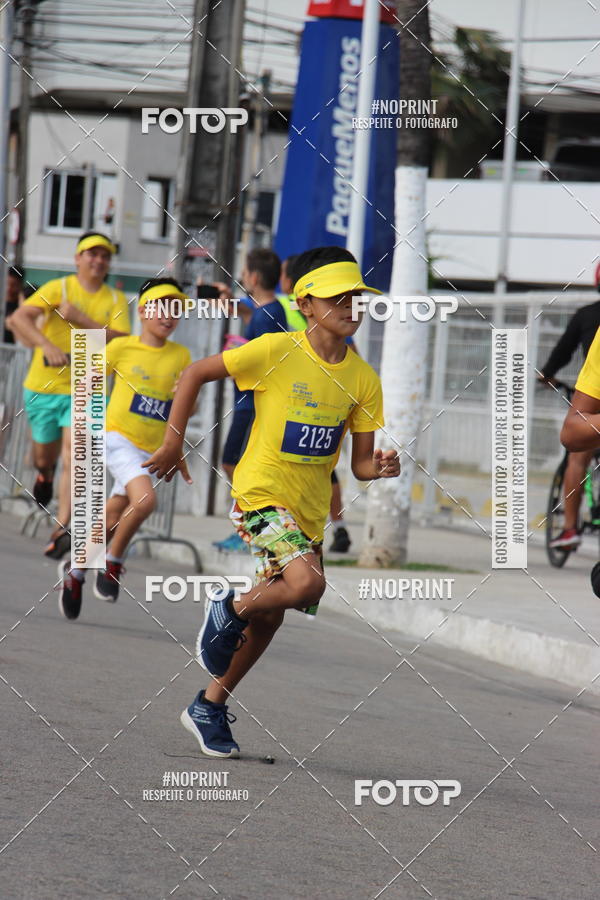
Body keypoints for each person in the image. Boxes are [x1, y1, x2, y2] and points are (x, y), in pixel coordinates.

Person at [144, 245, 400, 758]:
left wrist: (382, 467)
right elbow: (194, 373)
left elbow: (360, 464)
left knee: (275, 614)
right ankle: (228, 606)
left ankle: (208, 705)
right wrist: (174, 441)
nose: (351, 307)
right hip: (260, 493)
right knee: (307, 582)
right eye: (338, 298)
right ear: (306, 303)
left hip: (305, 514)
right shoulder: (275, 349)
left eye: (357, 297)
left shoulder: (364, 380)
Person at [57, 278, 192, 620]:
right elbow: (85, 387)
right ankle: (113, 562)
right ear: (145, 311)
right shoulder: (122, 347)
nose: (169, 315)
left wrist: (183, 399)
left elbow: (185, 408)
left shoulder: (182, 355)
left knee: (115, 513)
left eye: (177, 308)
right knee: (145, 502)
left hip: (151, 449)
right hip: (116, 438)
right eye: (162, 306)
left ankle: (75, 573)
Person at [11, 232, 130, 558]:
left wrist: (83, 321)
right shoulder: (58, 288)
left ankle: (61, 528)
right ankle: (43, 473)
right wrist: (46, 344)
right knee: (44, 454)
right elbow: (18, 318)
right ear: (78, 259)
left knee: (75, 455)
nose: (98, 260)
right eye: (91, 254)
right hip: (44, 386)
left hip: (87, 386)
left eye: (104, 256)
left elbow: (121, 341)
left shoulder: (116, 300)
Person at [279, 254, 353, 554]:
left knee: (322, 463)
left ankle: (334, 527)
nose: (349, 306)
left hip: (314, 402)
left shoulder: (283, 305)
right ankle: (338, 526)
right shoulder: (285, 316)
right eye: (337, 298)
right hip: (304, 400)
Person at [216, 248, 288, 552]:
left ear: (254, 277)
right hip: (250, 402)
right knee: (236, 463)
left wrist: (235, 355)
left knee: (235, 463)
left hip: (252, 404)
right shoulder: (269, 311)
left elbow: (263, 359)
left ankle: (250, 525)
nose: (243, 278)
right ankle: (251, 524)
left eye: (245, 273)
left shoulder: (266, 316)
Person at [539, 291, 600, 549]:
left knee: (578, 459)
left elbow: (563, 351)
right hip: (592, 390)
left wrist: (548, 375)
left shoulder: (586, 314)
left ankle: (569, 529)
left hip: (591, 394)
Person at [2, 266, 23, 344]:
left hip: (13, 350)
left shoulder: (21, 305)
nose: (9, 288)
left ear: (20, 285)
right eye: (7, 284)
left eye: (14, 285)